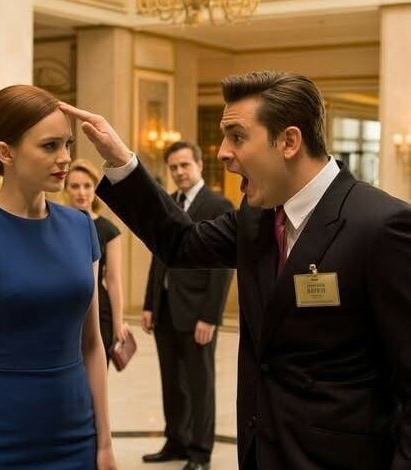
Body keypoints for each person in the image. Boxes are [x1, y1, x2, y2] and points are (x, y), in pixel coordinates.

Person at [59, 70, 411, 470]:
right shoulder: (257, 218)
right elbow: (181, 243)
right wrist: (122, 161)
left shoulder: (381, 226)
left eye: (237, 137)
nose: (223, 152)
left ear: (289, 141)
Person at [0, 84, 117, 470]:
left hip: (75, 433)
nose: (65, 158)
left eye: (67, 144)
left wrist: (104, 444)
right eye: (50, 146)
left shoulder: (81, 227)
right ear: (6, 152)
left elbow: (92, 345)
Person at [140, 141, 233, 470]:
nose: (179, 172)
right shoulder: (168, 203)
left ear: (199, 165)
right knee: (172, 382)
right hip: (165, 308)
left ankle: (200, 452)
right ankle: (176, 441)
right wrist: (150, 303)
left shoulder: (218, 205)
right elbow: (158, 256)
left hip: (197, 312)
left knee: (199, 385)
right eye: (173, 167)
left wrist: (210, 316)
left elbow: (222, 268)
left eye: (184, 165)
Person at [64, 158, 129, 364]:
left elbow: (113, 280)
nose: (81, 192)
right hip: (63, 309)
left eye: (87, 186)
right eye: (75, 186)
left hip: (99, 311)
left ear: (95, 189)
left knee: (95, 373)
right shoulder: (55, 223)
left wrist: (118, 323)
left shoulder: (109, 230)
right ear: (66, 189)